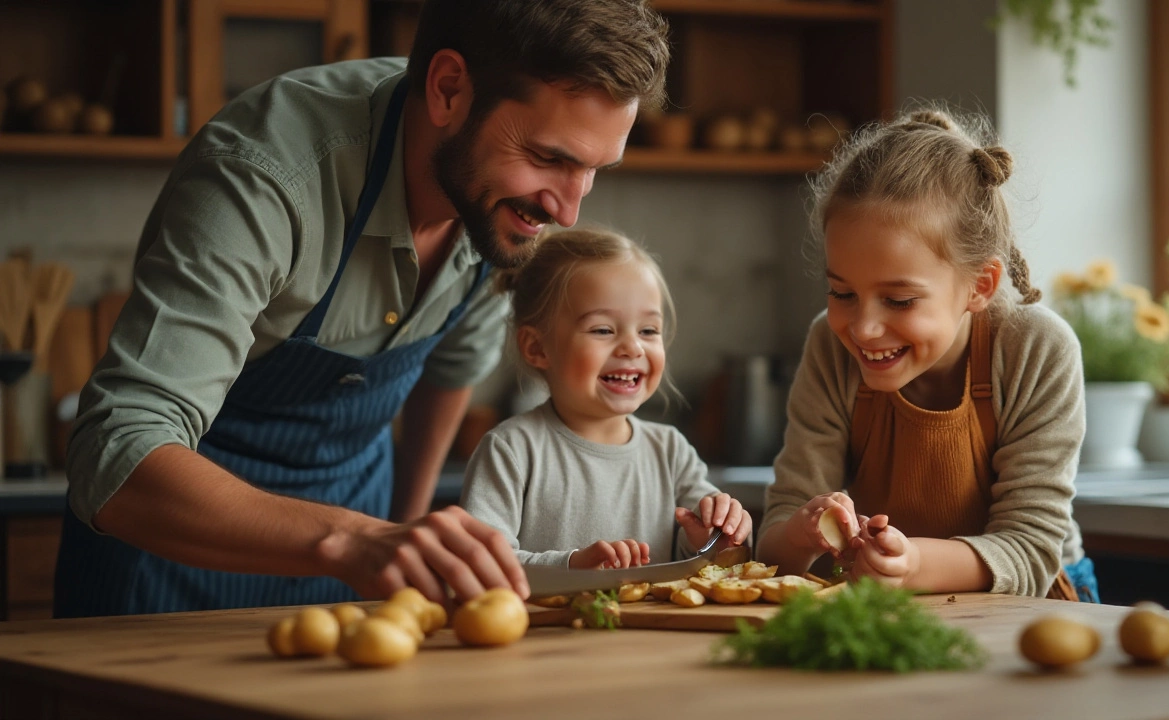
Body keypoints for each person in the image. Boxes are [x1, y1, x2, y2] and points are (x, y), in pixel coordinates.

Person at [54, 0, 671, 617]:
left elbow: (450, 368)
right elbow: (116, 452)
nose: (567, 211)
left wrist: (406, 537)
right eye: (549, 158)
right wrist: (358, 540)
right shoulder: (265, 174)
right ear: (449, 90)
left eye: (594, 171)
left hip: (357, 567)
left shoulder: (500, 204)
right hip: (171, 565)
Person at [756, 108, 1099, 602]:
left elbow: (1030, 551)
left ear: (980, 286)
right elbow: (778, 544)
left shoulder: (1036, 348)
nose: (864, 328)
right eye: (841, 293)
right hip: (887, 604)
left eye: (899, 300)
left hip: (1037, 602)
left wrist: (912, 564)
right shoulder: (829, 347)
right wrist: (796, 535)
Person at [459, 228, 752, 569]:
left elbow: (708, 558)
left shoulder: (672, 453)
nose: (632, 347)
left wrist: (716, 537)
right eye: (602, 330)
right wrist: (572, 566)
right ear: (537, 347)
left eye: (648, 330)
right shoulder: (510, 451)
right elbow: (482, 563)